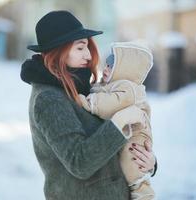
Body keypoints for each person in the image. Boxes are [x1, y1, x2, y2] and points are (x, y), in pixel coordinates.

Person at [20, 10, 157, 200]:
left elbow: (111, 147)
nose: (89, 55)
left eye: (88, 47)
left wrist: (147, 162)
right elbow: (79, 162)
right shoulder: (49, 99)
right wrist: (119, 122)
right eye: (80, 48)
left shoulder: (80, 87)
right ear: (58, 50)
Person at [79, 41, 155, 200]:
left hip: (135, 138)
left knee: (133, 168)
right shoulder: (110, 85)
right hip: (123, 137)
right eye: (106, 64)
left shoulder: (129, 88)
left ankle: (144, 195)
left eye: (111, 66)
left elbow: (112, 104)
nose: (105, 69)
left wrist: (88, 102)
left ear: (125, 69)